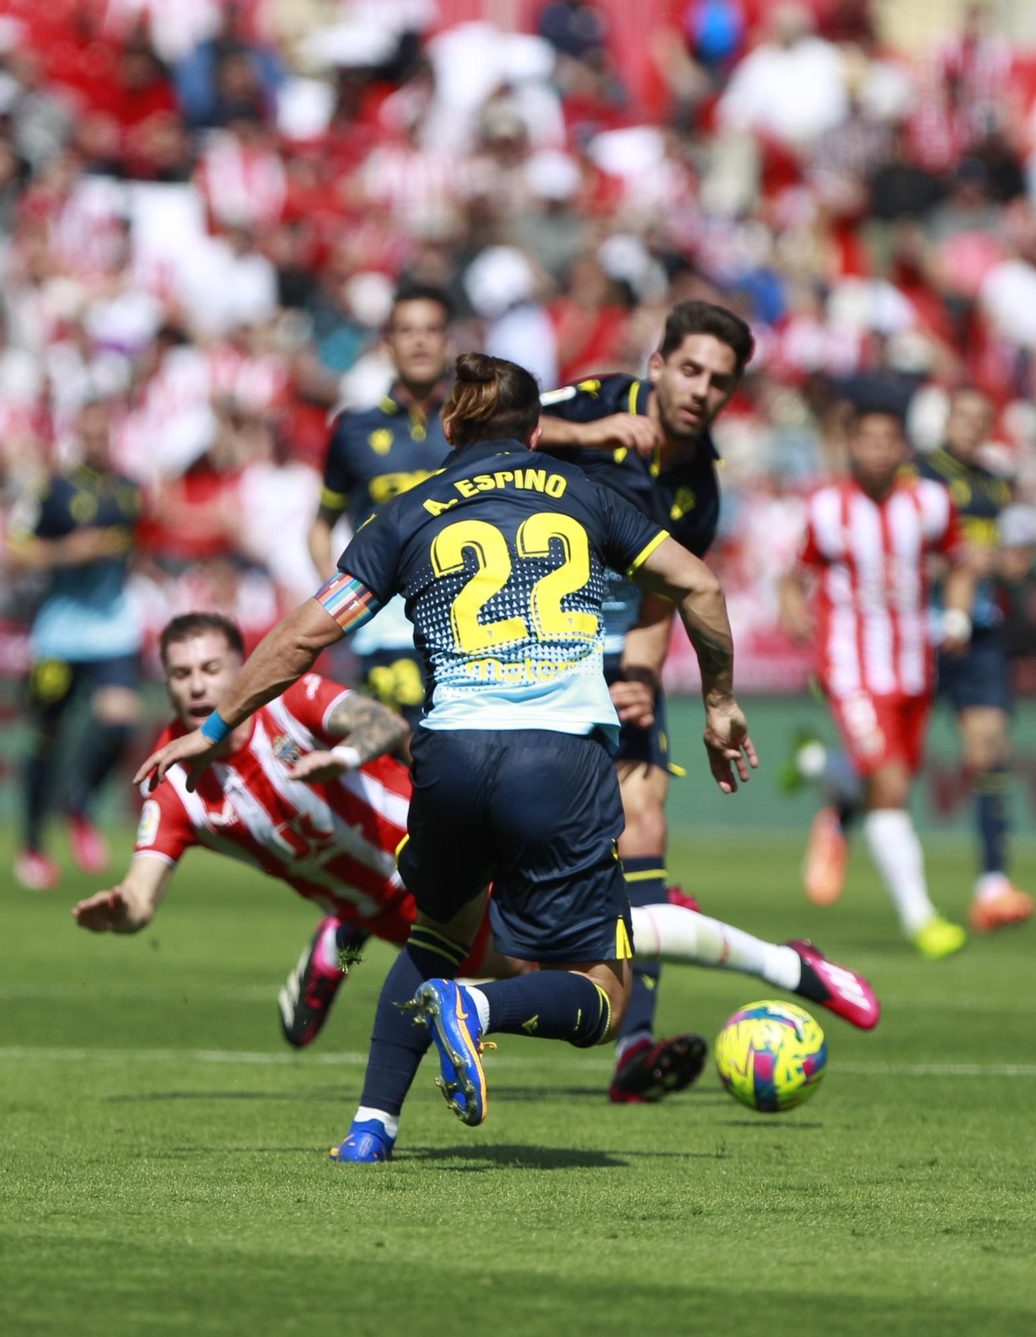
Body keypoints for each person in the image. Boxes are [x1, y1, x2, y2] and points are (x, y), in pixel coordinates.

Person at [135, 353, 761, 1164]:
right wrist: (718, 704)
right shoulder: (590, 497)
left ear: (450, 428)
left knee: (435, 931)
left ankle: (371, 1128)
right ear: (537, 432)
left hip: (451, 758)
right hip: (558, 761)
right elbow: (700, 587)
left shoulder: (405, 513)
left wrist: (216, 727)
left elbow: (305, 635)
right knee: (606, 993)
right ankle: (477, 1010)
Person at [79, 611, 878, 1053]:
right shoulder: (175, 779)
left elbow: (379, 721)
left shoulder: (292, 699)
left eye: (211, 668)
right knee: (531, 975)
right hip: (404, 912)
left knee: (600, 944)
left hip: (458, 846)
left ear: (239, 666)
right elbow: (144, 888)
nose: (196, 686)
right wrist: (126, 911)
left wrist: (352, 748)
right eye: (181, 674)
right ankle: (344, 935)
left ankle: (793, 968)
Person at [534, 299, 756, 1103]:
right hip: (521, 648)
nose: (702, 390)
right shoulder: (591, 403)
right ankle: (354, 930)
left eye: (720, 382)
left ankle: (634, 1044)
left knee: (646, 828)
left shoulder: (699, 485)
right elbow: (479, 435)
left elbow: (668, 593)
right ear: (656, 365)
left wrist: (643, 674)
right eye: (690, 369)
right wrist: (588, 438)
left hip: (614, 660)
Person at [796, 388, 1036, 933]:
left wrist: (985, 564)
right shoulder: (920, 478)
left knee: (986, 749)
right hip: (902, 640)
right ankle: (847, 814)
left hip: (971, 636)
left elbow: (1014, 560)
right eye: (964, 415)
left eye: (983, 417)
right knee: (892, 778)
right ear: (945, 419)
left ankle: (993, 882)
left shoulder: (998, 483)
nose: (973, 427)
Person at [299, 283, 454, 1010]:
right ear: (388, 343)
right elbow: (321, 522)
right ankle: (438, 971)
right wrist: (343, 600)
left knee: (452, 801)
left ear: (447, 339)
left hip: (467, 637)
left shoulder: (472, 425)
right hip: (391, 631)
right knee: (426, 782)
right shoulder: (355, 429)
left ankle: (354, 923)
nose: (420, 341)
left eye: (432, 329)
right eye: (407, 330)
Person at [777, 405, 978, 960]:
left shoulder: (931, 504)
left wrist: (957, 617)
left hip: (915, 666)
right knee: (889, 789)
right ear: (851, 447)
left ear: (903, 449)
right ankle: (922, 919)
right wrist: (797, 617)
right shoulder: (827, 508)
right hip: (851, 667)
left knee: (893, 783)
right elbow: (793, 578)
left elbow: (961, 562)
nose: (878, 450)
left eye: (888, 440)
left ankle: (828, 777)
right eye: (867, 440)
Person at [6, 400, 144, 890]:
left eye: (104, 432)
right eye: (90, 433)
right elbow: (13, 548)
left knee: (120, 718)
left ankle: (79, 801)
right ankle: (32, 844)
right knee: (46, 735)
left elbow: (147, 541)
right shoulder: (52, 488)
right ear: (77, 436)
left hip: (112, 628)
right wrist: (67, 551)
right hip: (60, 633)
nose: (98, 441)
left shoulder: (130, 489)